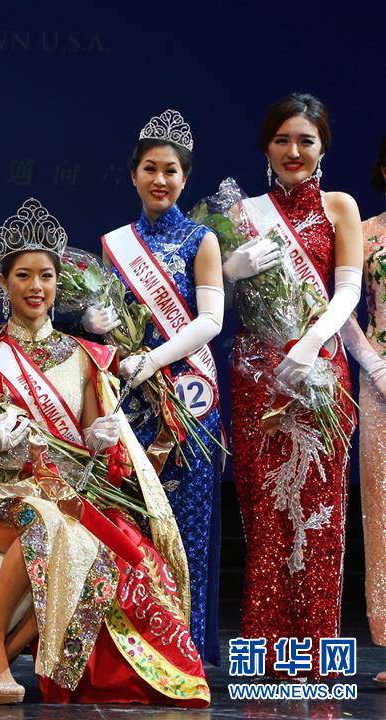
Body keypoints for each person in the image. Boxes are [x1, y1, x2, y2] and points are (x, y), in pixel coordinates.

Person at [0, 198, 209, 707]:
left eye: (46, 275)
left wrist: (101, 438)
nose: (35, 286)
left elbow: (93, 454)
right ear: (3, 283)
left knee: (109, 548)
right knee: (46, 522)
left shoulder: (87, 357)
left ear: (59, 283)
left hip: (66, 496)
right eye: (23, 275)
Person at [225, 93, 362, 679]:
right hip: (257, 378)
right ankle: (262, 652)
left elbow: (348, 291)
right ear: (266, 147)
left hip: (319, 371)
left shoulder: (339, 206)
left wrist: (310, 345)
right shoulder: (241, 214)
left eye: (305, 140)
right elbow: (216, 299)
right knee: (264, 511)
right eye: (282, 139)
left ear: (322, 147)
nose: (294, 151)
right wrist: (231, 269)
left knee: (320, 511)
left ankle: (318, 651)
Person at [81, 109, 225, 662]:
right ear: (133, 175)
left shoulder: (202, 240)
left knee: (187, 525)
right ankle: (135, 649)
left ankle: (185, 648)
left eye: (170, 170)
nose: (160, 179)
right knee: (134, 523)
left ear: (185, 178)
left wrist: (153, 359)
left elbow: (210, 321)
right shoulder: (116, 244)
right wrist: (97, 322)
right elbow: (112, 319)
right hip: (132, 401)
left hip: (188, 399)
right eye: (150, 169)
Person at [340, 137, 386, 686]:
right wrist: (374, 365)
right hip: (380, 384)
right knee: (384, 510)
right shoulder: (367, 232)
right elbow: (344, 307)